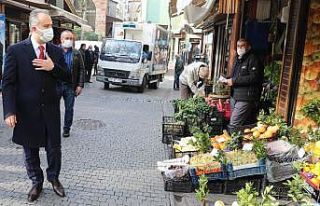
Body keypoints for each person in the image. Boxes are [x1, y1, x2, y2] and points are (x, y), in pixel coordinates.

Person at [2, 9, 71, 202]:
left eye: (51, 26)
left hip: (50, 110)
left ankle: (54, 178)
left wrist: (53, 68)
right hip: (26, 111)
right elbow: (7, 83)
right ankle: (36, 181)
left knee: (54, 148)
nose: (51, 30)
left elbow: (67, 77)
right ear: (34, 28)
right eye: (46, 26)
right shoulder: (16, 51)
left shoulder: (56, 51)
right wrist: (9, 110)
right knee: (30, 149)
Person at [224, 38, 264, 126]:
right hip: (234, 95)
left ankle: (232, 139)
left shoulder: (253, 59)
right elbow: (235, 75)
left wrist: (234, 81)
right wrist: (226, 79)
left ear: (249, 47)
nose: (240, 48)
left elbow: (254, 77)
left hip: (246, 97)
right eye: (238, 46)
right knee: (242, 122)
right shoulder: (237, 59)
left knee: (234, 122)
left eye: (242, 46)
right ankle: (240, 139)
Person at [58, 30, 85, 138]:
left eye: (71, 38)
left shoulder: (76, 53)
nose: (69, 40)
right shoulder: (54, 51)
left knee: (69, 108)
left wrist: (80, 85)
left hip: (70, 85)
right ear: (61, 39)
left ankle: (66, 129)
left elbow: (82, 69)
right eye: (67, 38)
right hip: (57, 84)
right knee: (52, 108)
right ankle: (52, 127)